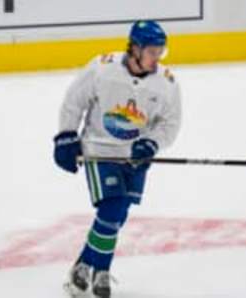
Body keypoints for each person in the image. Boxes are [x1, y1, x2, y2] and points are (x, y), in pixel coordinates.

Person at [53, 20, 182, 298]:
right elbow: (74, 101)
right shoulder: (102, 68)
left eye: (161, 52)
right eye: (151, 51)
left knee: (118, 215)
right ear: (134, 48)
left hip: (134, 159)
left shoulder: (167, 82)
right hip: (99, 151)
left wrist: (152, 143)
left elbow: (170, 124)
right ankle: (101, 271)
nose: (157, 58)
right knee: (111, 209)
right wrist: (66, 135)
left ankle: (83, 265)